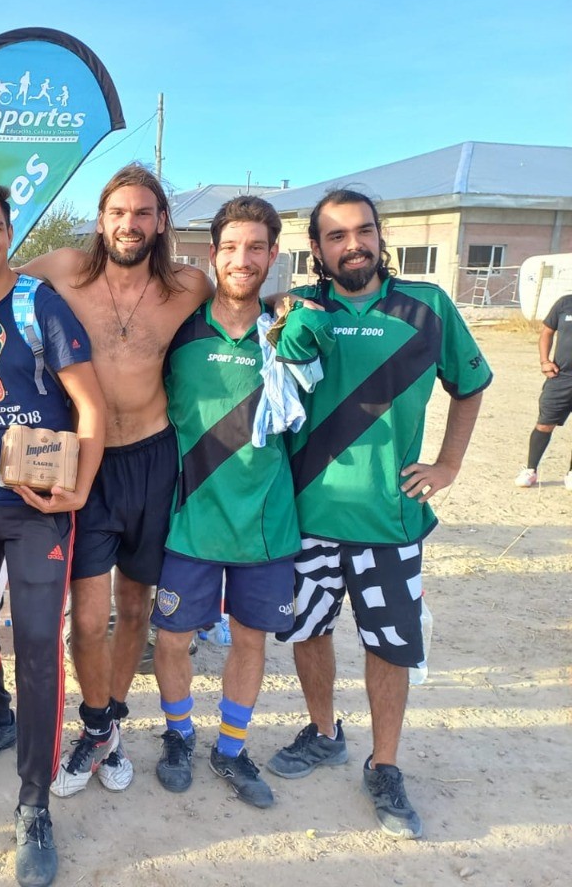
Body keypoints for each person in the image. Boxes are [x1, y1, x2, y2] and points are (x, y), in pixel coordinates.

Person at [0, 163, 211, 793]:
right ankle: (84, 715)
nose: (129, 224)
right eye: (117, 213)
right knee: (84, 615)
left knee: (135, 606)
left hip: (153, 457)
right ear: (101, 219)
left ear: (161, 221)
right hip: (83, 461)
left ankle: (107, 723)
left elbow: (244, 301)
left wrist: (287, 304)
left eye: (142, 213)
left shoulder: (190, 285)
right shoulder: (63, 269)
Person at [267, 189, 491, 839]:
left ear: (378, 236)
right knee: (308, 634)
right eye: (336, 236)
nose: (353, 244)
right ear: (317, 249)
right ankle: (325, 731)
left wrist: (447, 466)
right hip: (307, 518)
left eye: (362, 231)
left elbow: (470, 388)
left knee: (389, 646)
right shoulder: (301, 313)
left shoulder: (429, 307)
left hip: (391, 523)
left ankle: (385, 764)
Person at [0, 181, 105, 887]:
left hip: (39, 503)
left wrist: (79, 489)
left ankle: (33, 806)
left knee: (39, 642)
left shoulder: (41, 304)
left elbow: (90, 407)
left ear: (10, 232)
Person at [151, 196, 307, 810]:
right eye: (231, 247)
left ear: (273, 255)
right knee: (172, 639)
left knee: (251, 641)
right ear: (212, 254)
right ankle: (179, 735)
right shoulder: (179, 328)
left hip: (265, 524)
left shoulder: (289, 331)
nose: (243, 259)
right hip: (189, 519)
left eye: (257, 247)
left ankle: (232, 748)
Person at [514, 292, 572, 489]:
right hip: (561, 377)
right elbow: (547, 332)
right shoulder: (565, 303)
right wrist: (544, 361)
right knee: (545, 424)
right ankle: (530, 470)